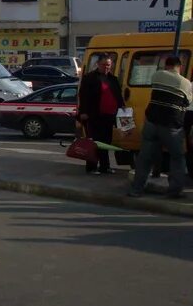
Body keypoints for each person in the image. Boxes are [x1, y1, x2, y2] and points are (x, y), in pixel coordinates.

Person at [129, 55, 192, 199]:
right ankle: (174, 191)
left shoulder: (157, 75)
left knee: (144, 158)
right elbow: (188, 101)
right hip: (171, 126)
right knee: (177, 158)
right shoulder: (185, 82)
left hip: (151, 122)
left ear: (166, 65)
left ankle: (136, 190)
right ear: (180, 66)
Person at [78, 56, 125, 175]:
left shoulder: (113, 79)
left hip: (109, 116)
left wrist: (122, 106)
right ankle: (91, 167)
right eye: (104, 65)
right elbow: (83, 96)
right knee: (94, 142)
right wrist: (83, 112)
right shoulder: (90, 78)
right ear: (98, 64)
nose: (106, 67)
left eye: (108, 65)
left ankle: (105, 166)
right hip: (94, 115)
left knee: (106, 142)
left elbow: (117, 95)